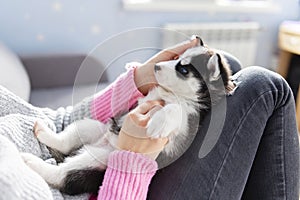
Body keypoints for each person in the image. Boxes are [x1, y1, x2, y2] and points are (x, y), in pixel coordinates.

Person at [0, 37, 298, 200]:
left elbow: (61, 120)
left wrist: (137, 82)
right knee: (264, 87)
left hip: (104, 144)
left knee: (225, 65)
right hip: (113, 185)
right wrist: (130, 161)